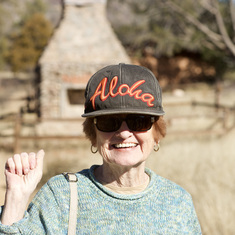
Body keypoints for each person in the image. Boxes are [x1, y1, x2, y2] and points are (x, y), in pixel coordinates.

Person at [0, 63, 201, 234]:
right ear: (93, 136)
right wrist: (15, 200)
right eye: (109, 122)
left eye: (138, 121)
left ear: (156, 134)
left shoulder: (177, 203)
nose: (124, 133)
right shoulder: (62, 197)